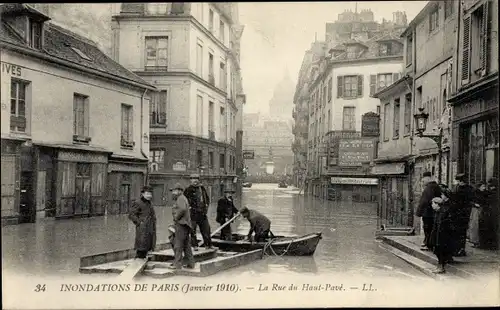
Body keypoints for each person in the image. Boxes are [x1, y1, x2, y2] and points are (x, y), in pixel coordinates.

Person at [168, 182, 195, 270]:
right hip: (186, 225)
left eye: (174, 191)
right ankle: (190, 264)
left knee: (178, 245)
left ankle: (177, 264)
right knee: (186, 245)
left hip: (181, 225)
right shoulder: (183, 198)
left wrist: (176, 217)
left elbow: (182, 209)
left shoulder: (180, 198)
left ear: (179, 191)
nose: (173, 193)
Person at [184, 174, 212, 250]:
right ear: (190, 180)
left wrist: (206, 208)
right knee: (192, 231)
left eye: (196, 179)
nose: (195, 180)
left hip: (202, 213)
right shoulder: (188, 190)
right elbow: (185, 202)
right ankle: (195, 246)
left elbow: (207, 199)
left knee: (206, 229)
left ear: (199, 180)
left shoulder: (202, 189)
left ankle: (208, 245)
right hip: (193, 214)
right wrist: (189, 209)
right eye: (193, 179)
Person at [429, 194, 455, 274]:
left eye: (433, 204)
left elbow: (441, 228)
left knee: (440, 251)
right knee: (438, 251)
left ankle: (441, 267)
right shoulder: (438, 212)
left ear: (437, 204)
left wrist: (436, 239)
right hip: (439, 236)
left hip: (441, 237)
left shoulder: (442, 213)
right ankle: (440, 266)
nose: (432, 205)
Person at [128, 186, 157, 259]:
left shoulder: (149, 203)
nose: (149, 195)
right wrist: (139, 223)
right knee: (141, 246)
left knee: (147, 245)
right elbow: (131, 214)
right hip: (142, 228)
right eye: (147, 194)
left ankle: (142, 259)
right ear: (143, 194)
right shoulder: (138, 202)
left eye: (150, 194)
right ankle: (138, 260)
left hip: (150, 227)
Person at [416, 172, 442, 251]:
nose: (422, 181)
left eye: (423, 179)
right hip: (433, 212)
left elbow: (424, 201)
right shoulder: (436, 186)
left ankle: (428, 244)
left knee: (427, 229)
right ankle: (429, 244)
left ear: (428, 178)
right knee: (431, 229)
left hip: (428, 213)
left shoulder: (429, 188)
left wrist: (419, 212)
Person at [451, 173, 475, 256]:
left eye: (458, 180)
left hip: (461, 214)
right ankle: (459, 249)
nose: (458, 182)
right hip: (462, 213)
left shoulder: (458, 189)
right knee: (460, 232)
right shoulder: (468, 188)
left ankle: (459, 249)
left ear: (461, 181)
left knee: (459, 232)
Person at [479, 178, 499, 250]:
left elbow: (484, 201)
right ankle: (492, 245)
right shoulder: (494, 192)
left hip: (488, 213)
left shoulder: (490, 192)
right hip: (494, 213)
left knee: (486, 228)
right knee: (492, 229)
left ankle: (486, 245)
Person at [469, 182, 487, 247]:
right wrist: (474, 204)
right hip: (475, 210)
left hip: (482, 210)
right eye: (483, 186)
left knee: (481, 225)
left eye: (484, 186)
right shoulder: (474, 193)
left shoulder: (485, 193)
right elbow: (470, 201)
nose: (484, 188)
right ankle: (475, 241)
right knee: (474, 225)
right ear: (479, 187)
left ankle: (480, 242)